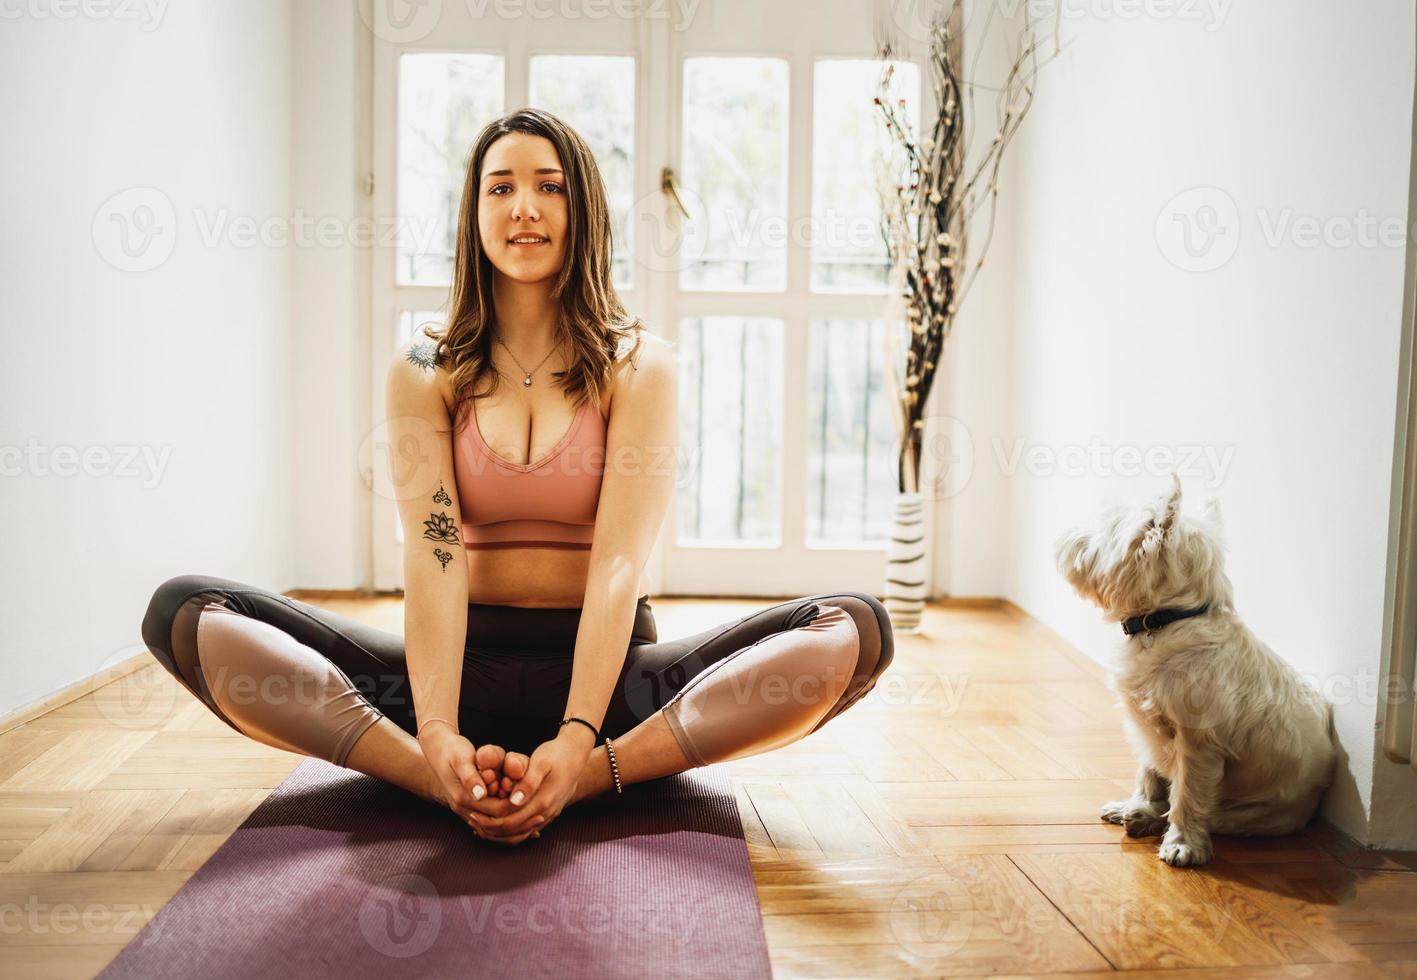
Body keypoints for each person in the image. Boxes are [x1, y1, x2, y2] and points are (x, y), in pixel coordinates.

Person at [140, 108, 893, 847]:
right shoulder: (424, 366)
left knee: (851, 629)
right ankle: (429, 776)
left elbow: (619, 565)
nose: (524, 208)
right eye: (500, 188)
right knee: (188, 612)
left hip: (613, 687)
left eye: (550, 186)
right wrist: (434, 730)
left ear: (584, 208)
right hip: (453, 672)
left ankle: (590, 777)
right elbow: (434, 555)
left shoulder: (640, 366)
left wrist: (575, 740)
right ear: (473, 212)